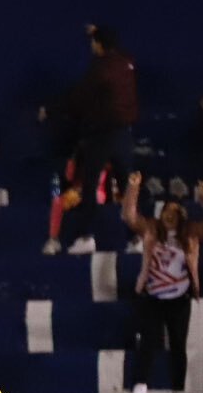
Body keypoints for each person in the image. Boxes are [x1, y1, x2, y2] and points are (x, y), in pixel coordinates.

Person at [42, 24, 138, 256]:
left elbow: (79, 96)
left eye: (93, 42)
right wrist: (99, 30)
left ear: (99, 44)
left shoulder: (100, 67)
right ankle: (136, 239)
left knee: (90, 186)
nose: (91, 46)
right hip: (124, 134)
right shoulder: (126, 65)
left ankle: (86, 237)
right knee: (127, 188)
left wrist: (51, 110)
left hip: (101, 135)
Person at [122, 176, 203, 393]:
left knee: (178, 344)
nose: (170, 214)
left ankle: (178, 388)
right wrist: (133, 188)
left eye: (176, 211)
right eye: (167, 210)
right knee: (148, 341)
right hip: (153, 297)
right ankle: (140, 385)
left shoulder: (191, 233)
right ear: (161, 212)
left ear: (182, 215)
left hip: (180, 298)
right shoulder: (152, 229)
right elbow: (129, 216)